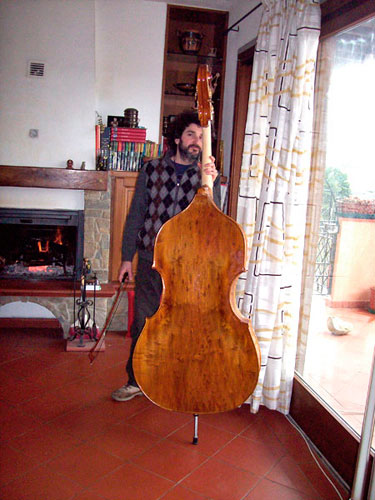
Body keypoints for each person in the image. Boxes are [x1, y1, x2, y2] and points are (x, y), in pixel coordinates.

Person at [111, 111, 221, 402]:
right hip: (150, 258)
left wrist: (212, 184)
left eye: (201, 136)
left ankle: (173, 379)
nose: (196, 141)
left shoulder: (205, 176)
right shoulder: (152, 169)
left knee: (182, 324)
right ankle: (135, 381)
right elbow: (137, 214)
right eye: (190, 134)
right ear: (176, 139)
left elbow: (214, 219)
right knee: (143, 322)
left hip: (188, 265)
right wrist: (126, 258)